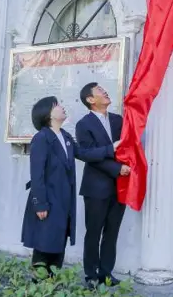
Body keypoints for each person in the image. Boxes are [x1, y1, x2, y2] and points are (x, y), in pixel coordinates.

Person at [21, 95, 120, 279]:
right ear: (47, 114)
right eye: (57, 105)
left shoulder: (65, 136)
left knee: (58, 243)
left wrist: (110, 149)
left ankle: (53, 286)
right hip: (48, 201)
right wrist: (40, 204)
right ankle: (38, 290)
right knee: (44, 244)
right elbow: (37, 174)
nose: (62, 107)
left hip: (63, 201)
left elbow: (83, 153)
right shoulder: (42, 138)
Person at [75, 83, 130, 287]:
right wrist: (116, 166)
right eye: (100, 91)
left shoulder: (118, 120)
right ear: (90, 100)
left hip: (120, 186)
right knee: (94, 232)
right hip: (96, 187)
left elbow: (128, 146)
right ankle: (91, 274)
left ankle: (106, 273)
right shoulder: (84, 124)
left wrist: (125, 167)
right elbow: (87, 155)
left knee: (112, 231)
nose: (105, 92)